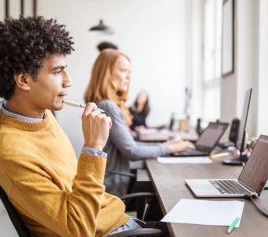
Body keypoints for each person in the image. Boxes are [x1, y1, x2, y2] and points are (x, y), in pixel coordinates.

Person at [0, 16, 223, 237]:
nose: (68, 81)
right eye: (57, 71)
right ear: (24, 80)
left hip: (119, 228)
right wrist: (93, 147)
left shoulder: (41, 117)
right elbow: (78, 229)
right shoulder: (10, 151)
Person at [83, 49, 195, 196]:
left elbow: (130, 143)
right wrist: (169, 148)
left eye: (129, 72)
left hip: (114, 181)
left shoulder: (104, 104)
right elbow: (132, 151)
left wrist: (169, 145)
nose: (129, 77)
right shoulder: (108, 106)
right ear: (106, 74)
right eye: (123, 70)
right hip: (113, 187)